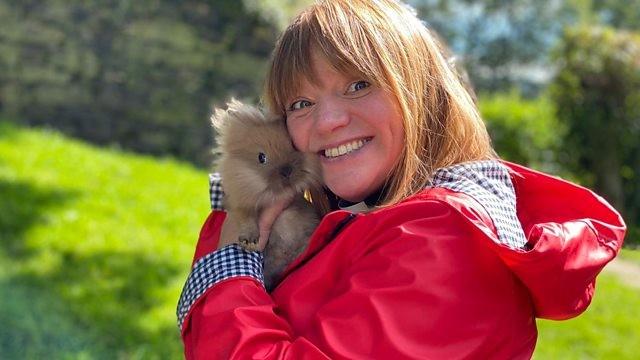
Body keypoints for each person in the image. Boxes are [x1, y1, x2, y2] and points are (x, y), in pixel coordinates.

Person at [176, 0, 626, 358]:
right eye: (300, 104)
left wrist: (231, 262)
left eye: (358, 85)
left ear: (422, 93)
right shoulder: (363, 216)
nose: (327, 121)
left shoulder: (444, 237)